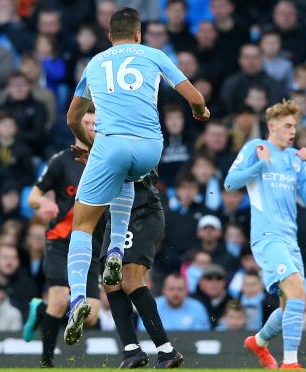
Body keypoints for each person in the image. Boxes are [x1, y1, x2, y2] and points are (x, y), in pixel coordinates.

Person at [63, 6, 209, 348]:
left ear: (110, 36)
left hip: (111, 144)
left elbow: (73, 118)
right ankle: (115, 251)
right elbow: (195, 97)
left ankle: (76, 300)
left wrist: (90, 145)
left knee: (82, 225)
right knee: (126, 177)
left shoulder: (96, 63)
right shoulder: (155, 54)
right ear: (139, 35)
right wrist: (200, 111)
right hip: (150, 148)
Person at [225, 99, 306, 369]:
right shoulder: (257, 148)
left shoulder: (293, 158)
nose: (292, 132)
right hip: (267, 236)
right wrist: (260, 167)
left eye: (295, 127)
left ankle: (259, 341)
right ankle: (290, 363)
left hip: (290, 239)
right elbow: (230, 182)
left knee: (291, 306)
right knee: (298, 291)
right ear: (272, 126)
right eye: (287, 126)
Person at [22, 107, 102, 368]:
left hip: (92, 243)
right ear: (76, 126)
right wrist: (42, 204)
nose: (91, 127)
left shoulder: (106, 160)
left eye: (95, 123)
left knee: (90, 316)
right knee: (59, 302)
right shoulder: (61, 160)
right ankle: (46, 362)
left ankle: (39, 310)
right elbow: (33, 196)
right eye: (87, 122)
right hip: (61, 239)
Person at [99, 169, 185, 368]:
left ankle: (166, 351)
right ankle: (132, 351)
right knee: (110, 281)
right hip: (115, 213)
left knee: (130, 280)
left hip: (141, 209)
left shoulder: (135, 140)